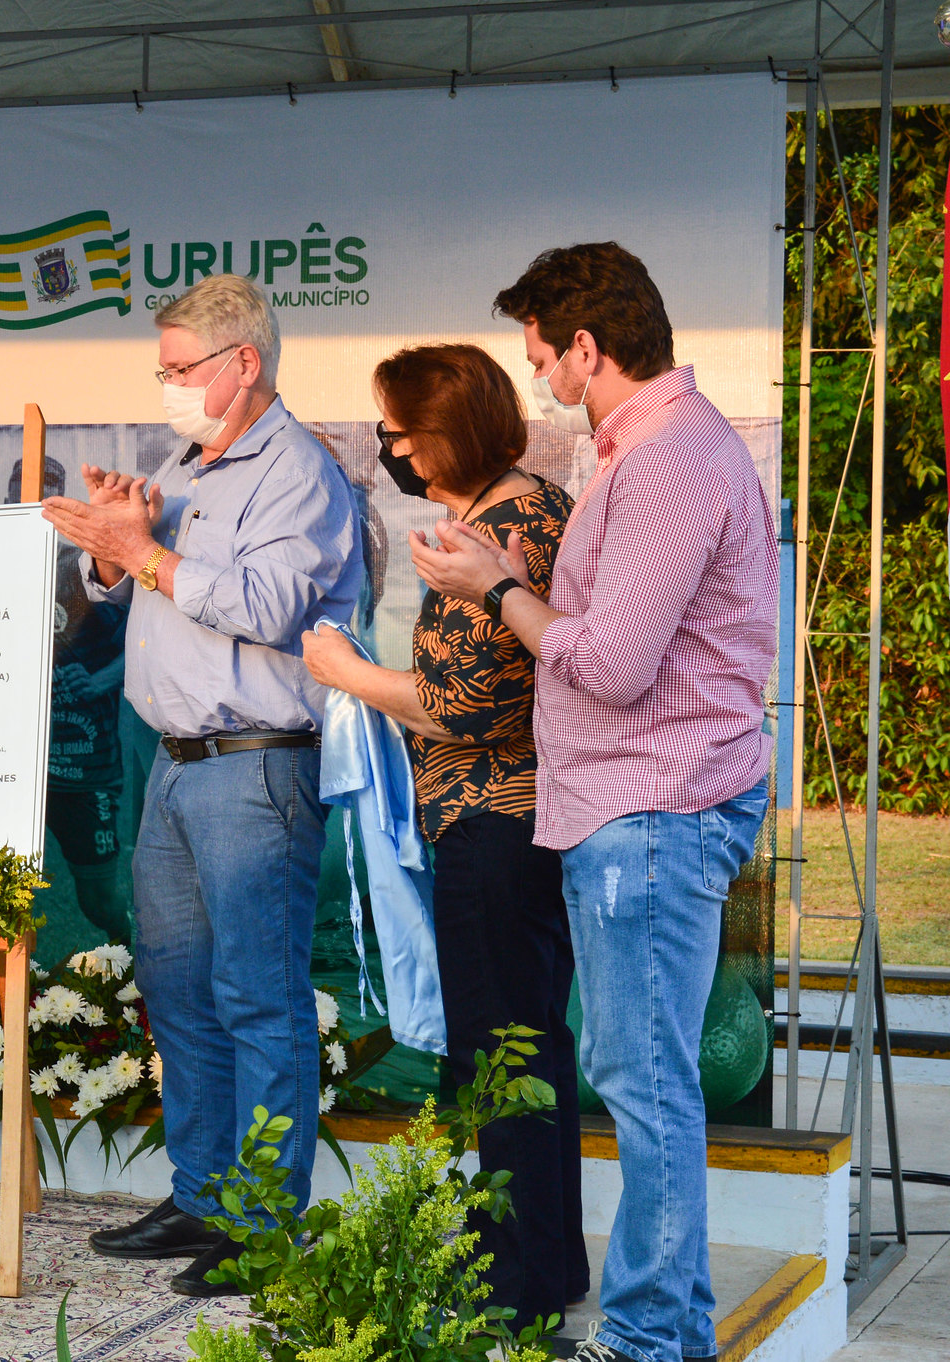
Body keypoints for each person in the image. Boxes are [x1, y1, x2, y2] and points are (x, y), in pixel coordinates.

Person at [409, 243, 776, 1362]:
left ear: (585, 344)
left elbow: (610, 667)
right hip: (632, 807)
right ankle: (655, 1327)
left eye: (538, 353)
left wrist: (497, 587)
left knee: (643, 1081)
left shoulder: (668, 458)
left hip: (652, 806)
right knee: (633, 1074)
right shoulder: (642, 448)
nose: (533, 378)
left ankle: (653, 1335)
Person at [41, 273, 364, 1297]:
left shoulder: (299, 474)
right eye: (162, 368)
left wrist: (144, 550)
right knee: (177, 994)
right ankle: (205, 1194)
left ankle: (266, 1226)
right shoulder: (184, 462)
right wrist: (108, 549)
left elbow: (269, 606)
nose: (168, 386)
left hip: (254, 764)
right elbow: (138, 588)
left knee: (255, 1000)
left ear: (243, 364)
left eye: (181, 369)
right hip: (170, 770)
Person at [300, 343, 586, 1333]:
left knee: (498, 1050)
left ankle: (509, 1284)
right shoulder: (519, 508)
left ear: (448, 430)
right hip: (511, 820)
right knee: (526, 1044)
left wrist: (348, 675)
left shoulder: (506, 525)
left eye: (401, 433)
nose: (392, 452)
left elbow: (463, 707)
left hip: (494, 823)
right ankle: (544, 1265)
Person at [12, 455, 132, 944]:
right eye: (24, 491)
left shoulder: (84, 566)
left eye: (47, 491)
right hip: (12, 765)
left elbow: (142, 640)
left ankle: (137, 978)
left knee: (100, 900)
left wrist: (102, 681)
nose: (36, 502)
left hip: (84, 761)